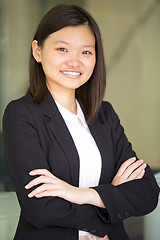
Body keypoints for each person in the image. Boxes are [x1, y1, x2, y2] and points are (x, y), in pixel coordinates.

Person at [3, 4, 159, 240]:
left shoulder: (104, 114)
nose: (75, 62)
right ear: (37, 51)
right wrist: (109, 200)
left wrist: (80, 194)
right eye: (62, 49)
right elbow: (41, 209)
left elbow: (147, 192)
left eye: (86, 52)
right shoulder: (22, 115)